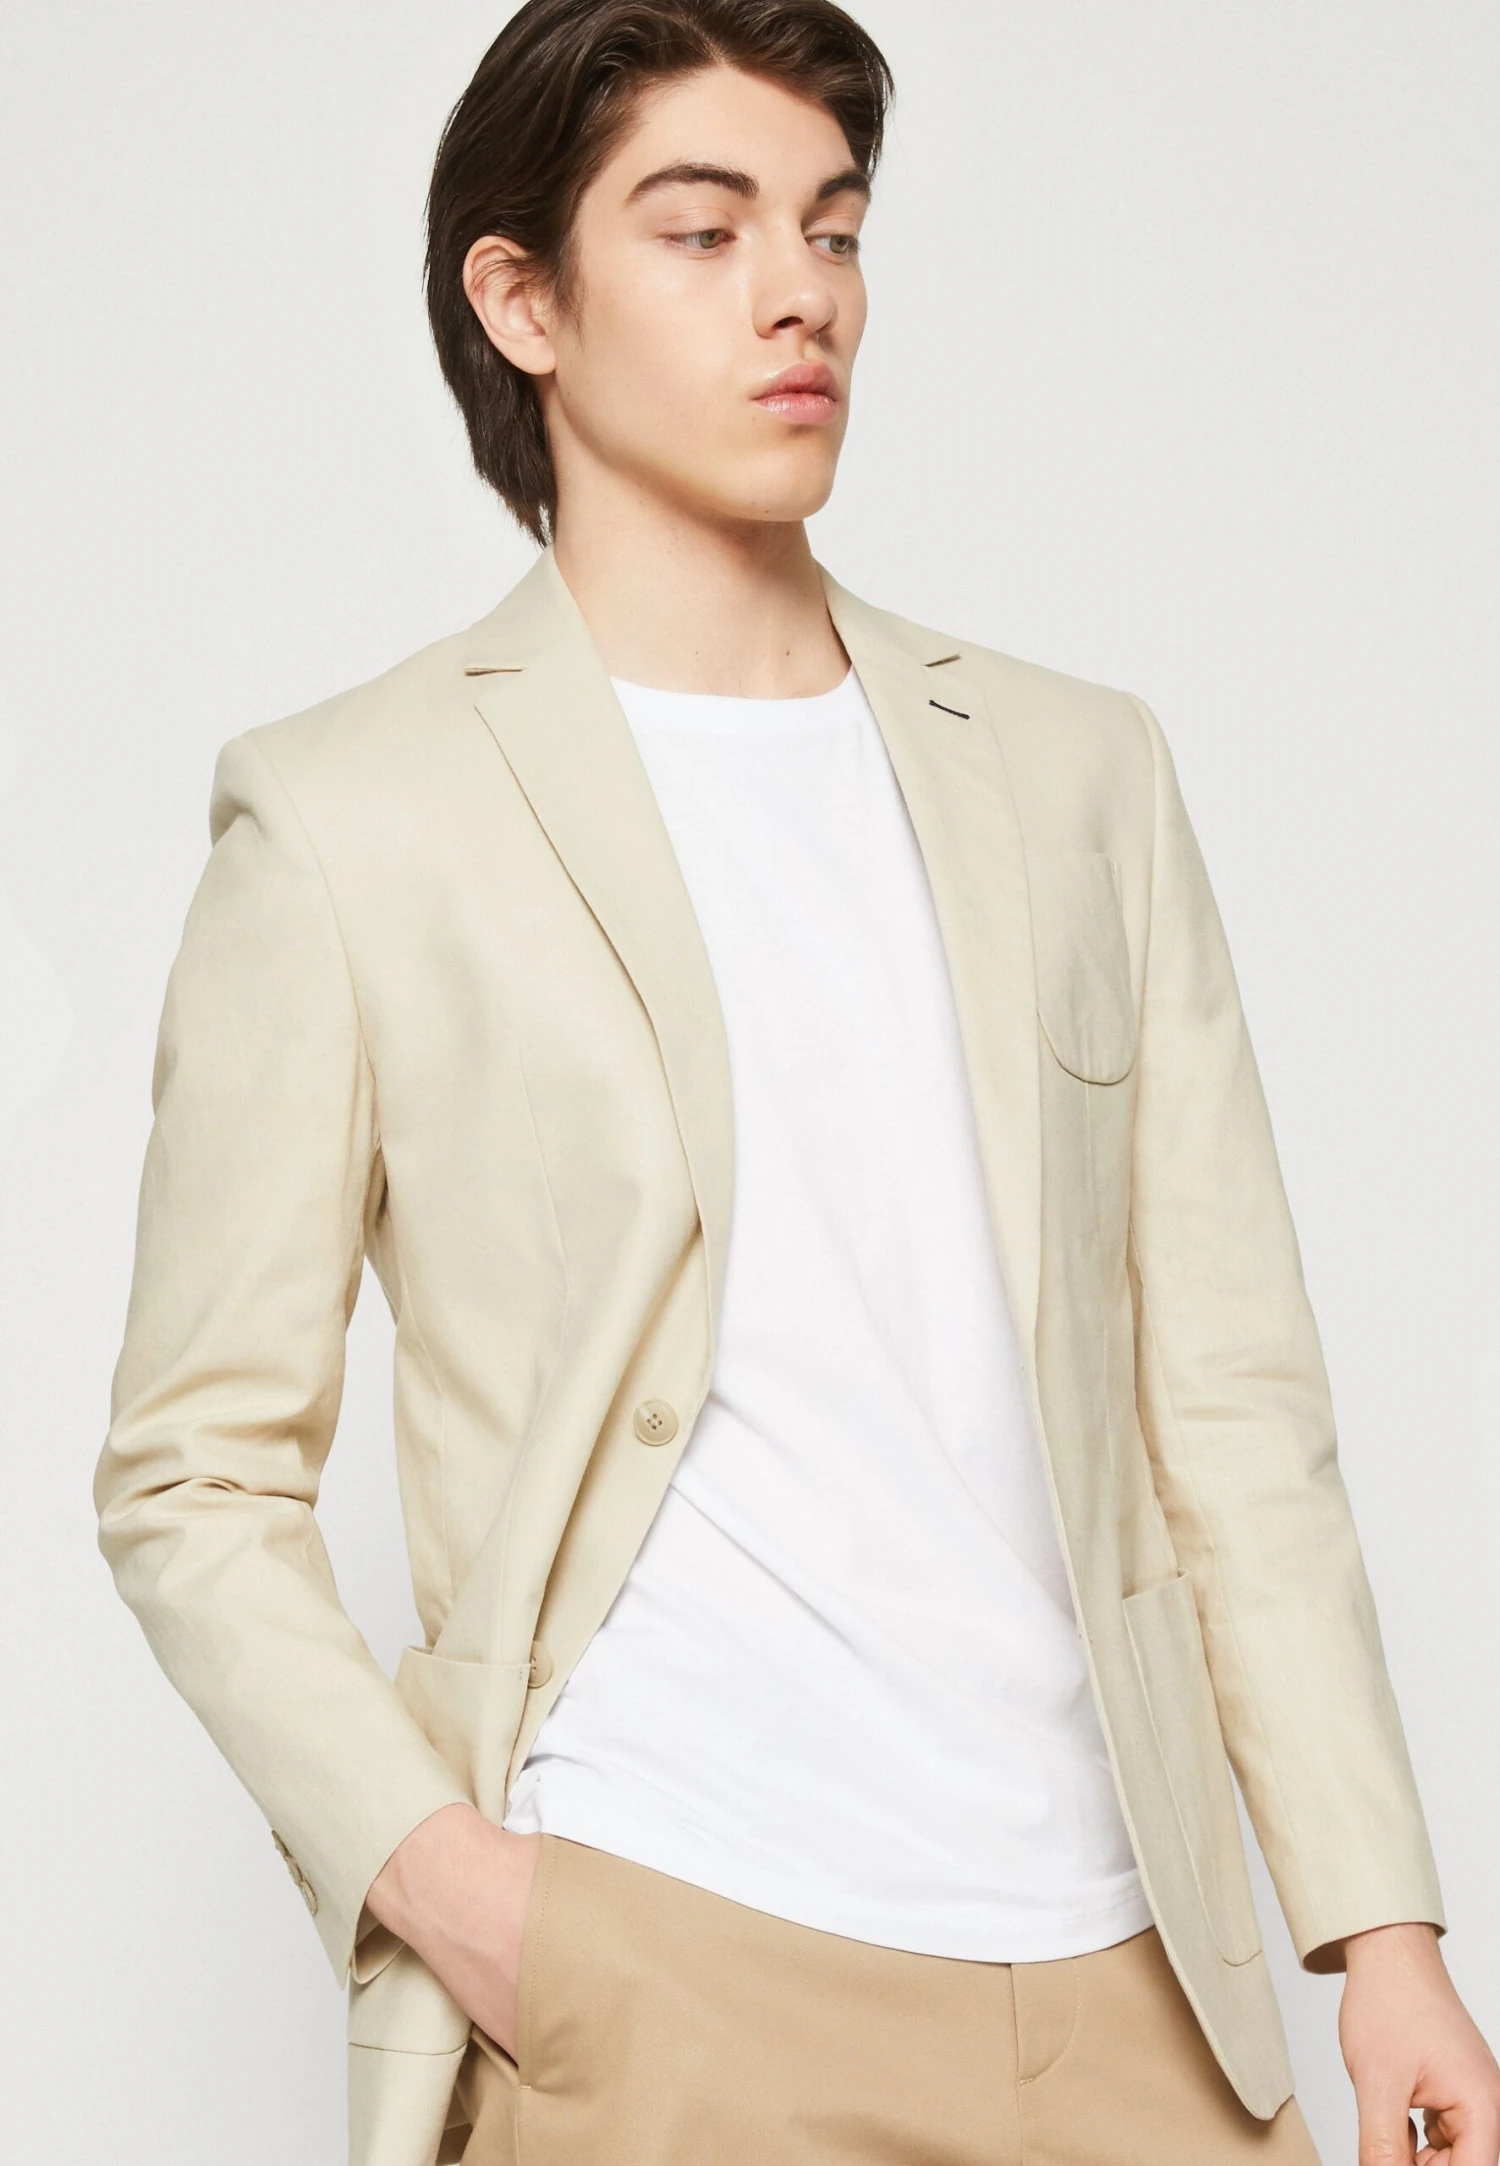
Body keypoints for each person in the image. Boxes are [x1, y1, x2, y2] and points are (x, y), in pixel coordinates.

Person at [94, 4, 1500, 2163]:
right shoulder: (350, 817)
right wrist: (456, 1892)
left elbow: (1228, 1398)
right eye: (705, 229)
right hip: (671, 1969)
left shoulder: (1080, 773)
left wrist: (1381, 1933)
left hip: (1133, 1973)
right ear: (522, 301)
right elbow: (193, 1470)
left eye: (833, 229)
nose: (799, 293)